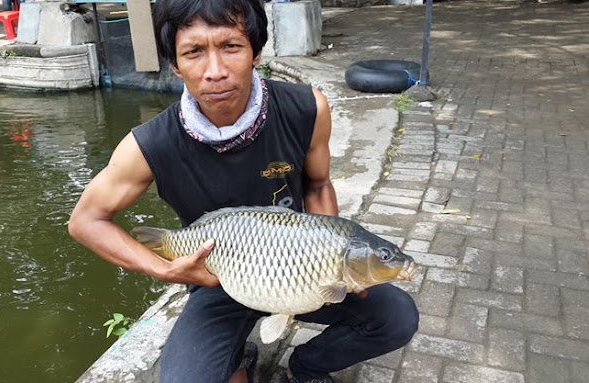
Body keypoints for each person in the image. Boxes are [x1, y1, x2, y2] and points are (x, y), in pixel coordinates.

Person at [68, 0, 419, 382]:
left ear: (256, 51)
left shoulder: (307, 107)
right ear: (174, 64)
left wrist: (333, 260)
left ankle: (305, 366)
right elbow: (86, 221)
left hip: (298, 270)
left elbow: (318, 184)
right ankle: (238, 355)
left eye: (231, 46)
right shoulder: (150, 145)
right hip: (217, 278)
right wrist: (164, 268)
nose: (215, 72)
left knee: (396, 317)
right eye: (194, 52)